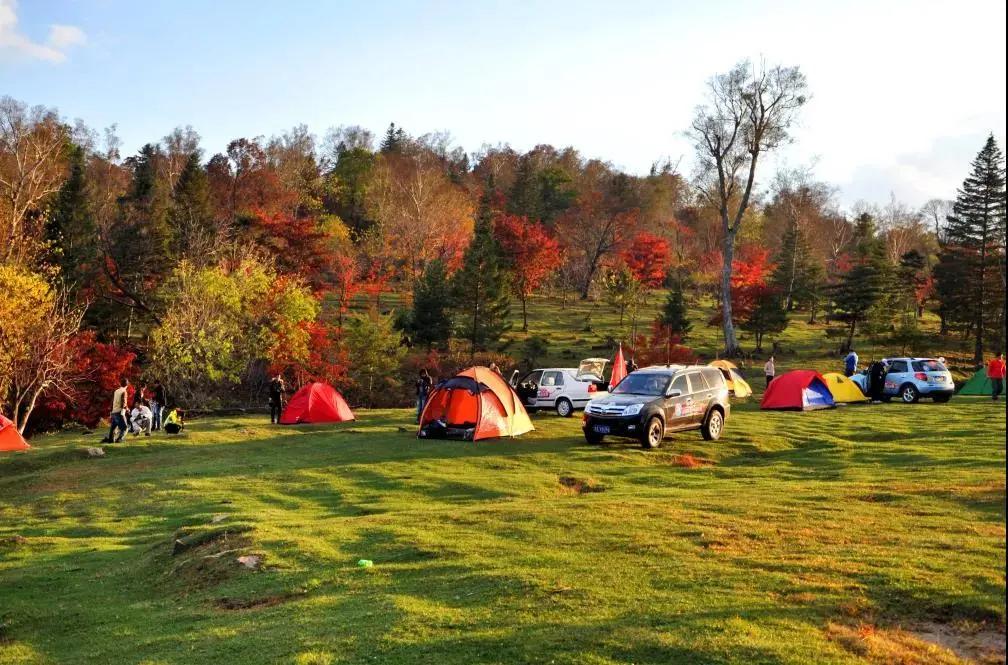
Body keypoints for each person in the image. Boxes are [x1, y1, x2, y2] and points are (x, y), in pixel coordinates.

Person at [103, 378, 130, 443]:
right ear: (127, 385)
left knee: (113, 428)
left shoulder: (116, 391)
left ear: (120, 384)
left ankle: (110, 440)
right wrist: (127, 409)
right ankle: (119, 439)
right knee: (125, 428)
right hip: (120, 412)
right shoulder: (124, 392)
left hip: (114, 411)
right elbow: (123, 403)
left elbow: (112, 402)